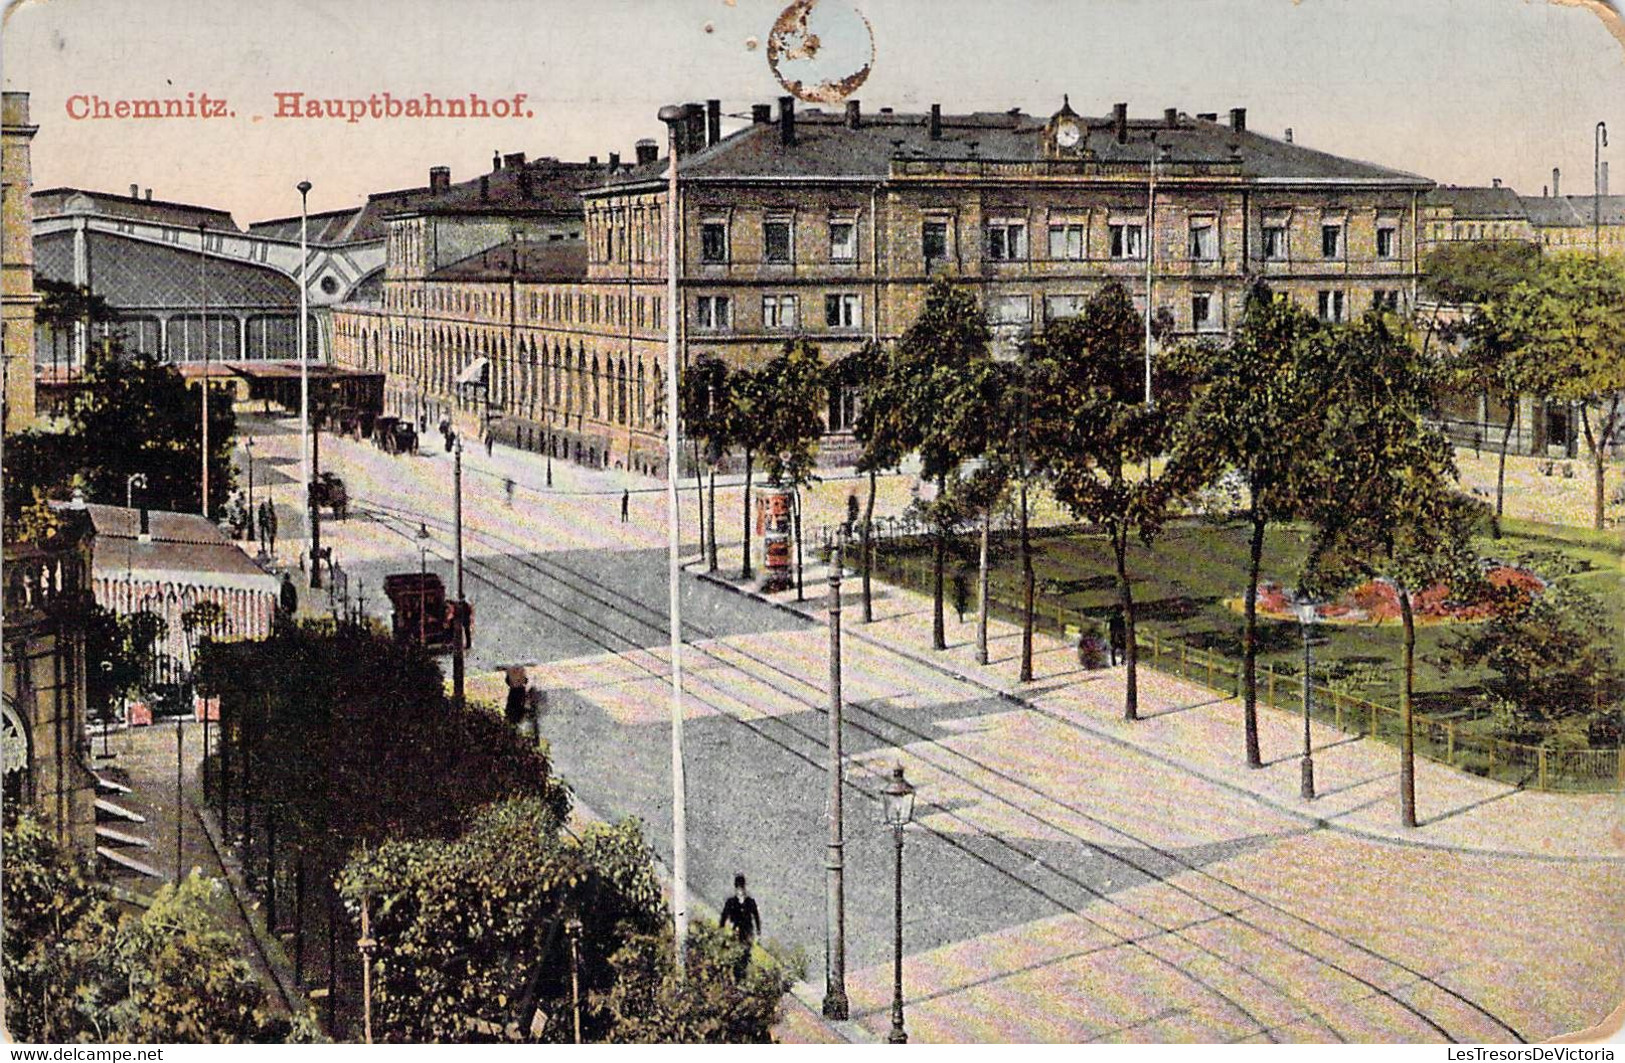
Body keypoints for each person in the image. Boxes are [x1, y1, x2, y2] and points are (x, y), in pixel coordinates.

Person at [719, 873, 761, 977]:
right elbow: (724, 917)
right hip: (735, 931)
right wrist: (721, 930)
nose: (740, 890)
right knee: (735, 953)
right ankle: (735, 974)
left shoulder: (750, 902)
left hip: (747, 931)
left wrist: (758, 932)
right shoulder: (731, 902)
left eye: (742, 887)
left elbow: (756, 916)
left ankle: (742, 974)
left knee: (745, 954)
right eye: (738, 887)